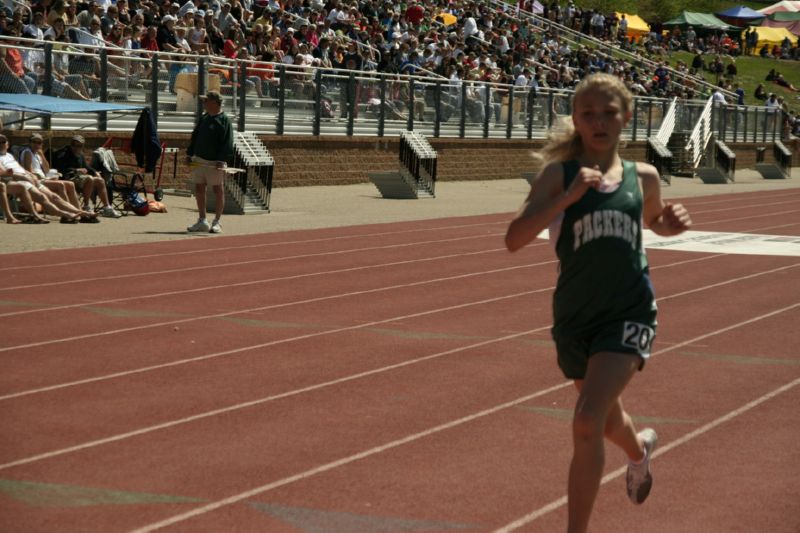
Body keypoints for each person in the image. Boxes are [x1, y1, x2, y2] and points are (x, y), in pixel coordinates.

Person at [505, 73, 692, 533]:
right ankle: (638, 450)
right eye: (588, 113)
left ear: (626, 117)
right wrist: (568, 197)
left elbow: (653, 223)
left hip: (629, 311)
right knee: (606, 420)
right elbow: (514, 239)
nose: (599, 121)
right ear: (576, 119)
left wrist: (670, 224)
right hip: (574, 317)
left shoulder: (642, 176)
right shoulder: (558, 175)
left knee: (586, 419)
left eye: (609, 112)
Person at [185, 90, 233, 234]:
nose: (203, 103)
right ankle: (202, 220)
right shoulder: (204, 118)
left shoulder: (224, 120)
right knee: (199, 188)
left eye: (206, 101)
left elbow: (228, 142)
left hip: (214, 163)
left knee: (218, 190)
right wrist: (189, 154)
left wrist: (221, 160)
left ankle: (217, 222)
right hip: (199, 160)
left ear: (214, 102)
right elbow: (195, 137)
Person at [52, 135, 122, 217]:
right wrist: (76, 170)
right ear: (71, 144)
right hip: (69, 178)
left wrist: (95, 172)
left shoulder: (80, 154)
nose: (76, 148)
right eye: (74, 145)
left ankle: (107, 208)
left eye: (79, 146)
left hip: (80, 178)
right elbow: (61, 169)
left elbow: (86, 167)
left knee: (100, 180)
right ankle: (86, 206)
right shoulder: (64, 154)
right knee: (89, 179)